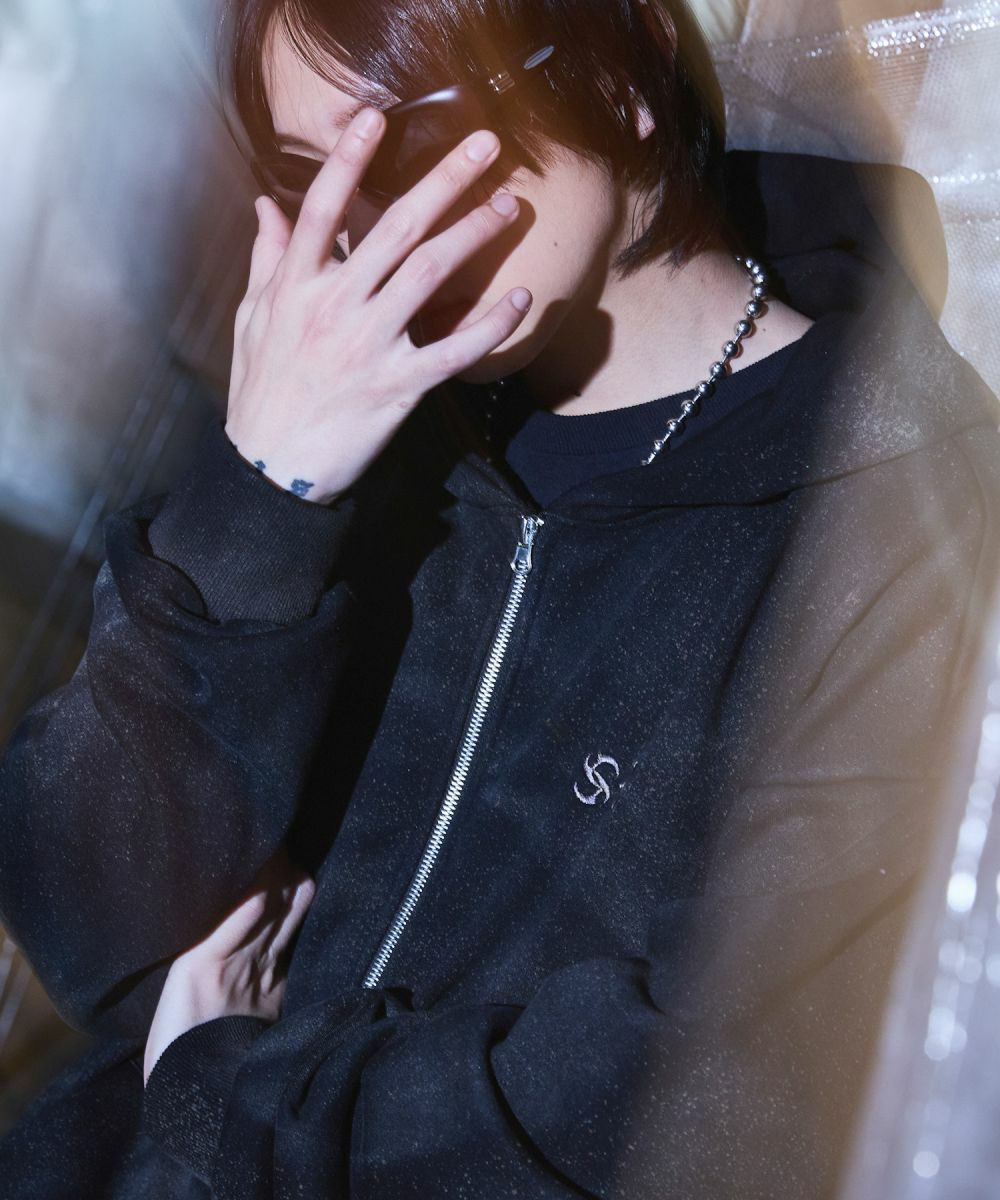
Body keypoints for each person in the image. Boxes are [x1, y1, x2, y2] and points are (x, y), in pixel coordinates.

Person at [1, 0, 998, 1197]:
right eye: (312, 174)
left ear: (622, 75)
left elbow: (710, 1103)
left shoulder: (896, 515)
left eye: (412, 144)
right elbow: (84, 917)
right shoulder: (349, 412)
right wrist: (262, 494)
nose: (370, 229)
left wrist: (227, 1097)